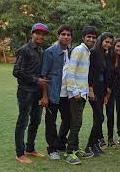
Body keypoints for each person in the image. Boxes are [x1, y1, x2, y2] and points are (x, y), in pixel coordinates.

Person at [13, 23, 50, 164]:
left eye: (43, 34)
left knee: (35, 121)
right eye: (38, 33)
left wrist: (41, 86)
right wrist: (36, 80)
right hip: (25, 92)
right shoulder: (24, 50)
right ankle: (20, 153)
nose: (40, 36)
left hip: (37, 92)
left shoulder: (41, 51)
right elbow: (16, 72)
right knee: (23, 122)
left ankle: (30, 148)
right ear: (32, 34)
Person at [65, 26, 97, 164]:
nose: (91, 39)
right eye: (88, 37)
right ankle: (70, 152)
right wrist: (75, 91)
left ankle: (76, 149)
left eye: (93, 37)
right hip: (76, 93)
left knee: (77, 122)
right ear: (83, 37)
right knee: (76, 122)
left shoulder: (87, 51)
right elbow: (70, 72)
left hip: (82, 93)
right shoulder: (78, 50)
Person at [40, 25, 72, 160]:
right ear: (58, 36)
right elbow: (43, 76)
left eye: (68, 34)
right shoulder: (50, 52)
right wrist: (44, 96)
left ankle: (59, 142)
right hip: (53, 94)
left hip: (67, 94)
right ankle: (52, 149)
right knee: (51, 122)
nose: (65, 37)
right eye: (63, 34)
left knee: (68, 119)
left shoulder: (72, 52)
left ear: (71, 37)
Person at [85, 32, 114, 156]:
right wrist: (90, 89)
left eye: (110, 43)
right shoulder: (94, 53)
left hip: (102, 89)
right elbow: (90, 71)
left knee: (98, 118)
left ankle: (95, 145)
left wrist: (107, 90)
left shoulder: (105, 54)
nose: (108, 44)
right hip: (94, 89)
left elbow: (106, 73)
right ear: (101, 41)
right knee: (99, 117)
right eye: (106, 41)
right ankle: (89, 146)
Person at [105, 39, 120, 145]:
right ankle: (110, 137)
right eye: (118, 46)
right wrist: (107, 88)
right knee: (109, 113)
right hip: (108, 89)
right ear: (114, 46)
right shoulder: (107, 57)